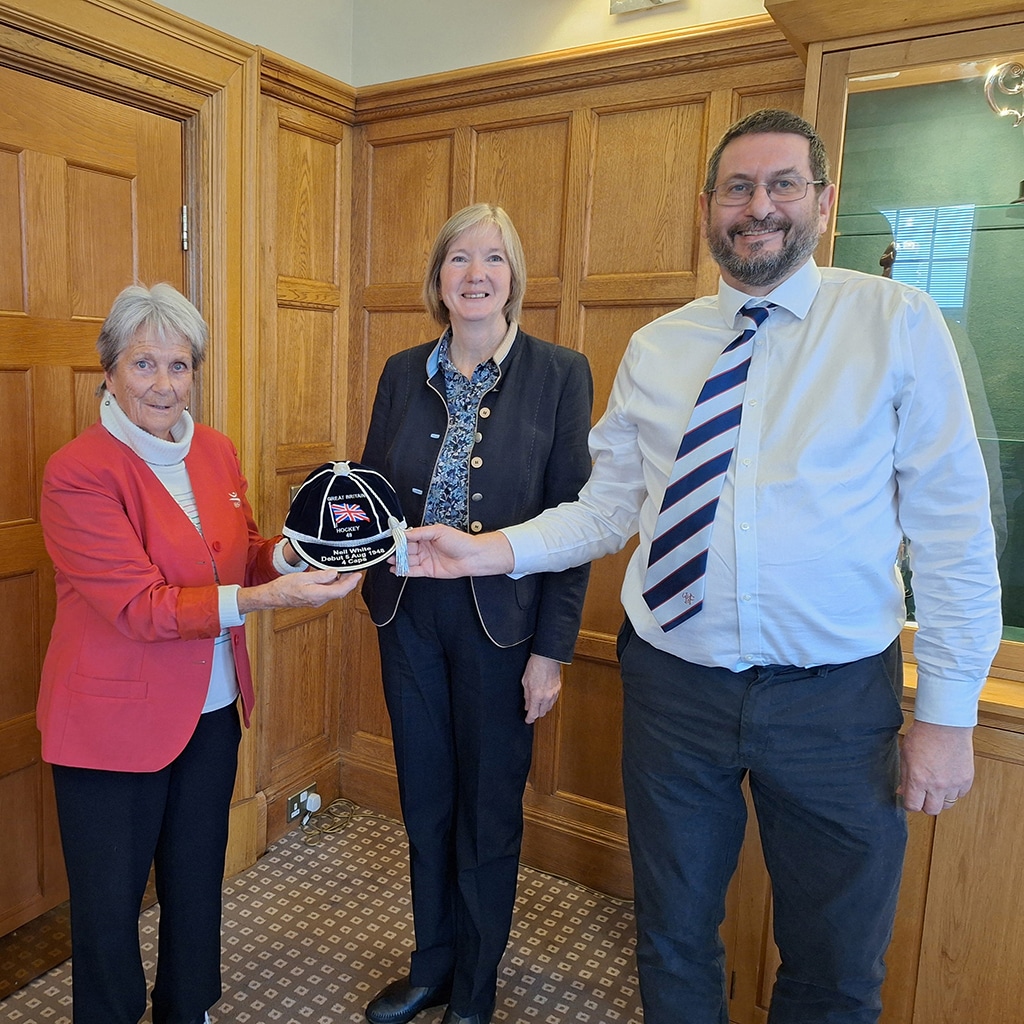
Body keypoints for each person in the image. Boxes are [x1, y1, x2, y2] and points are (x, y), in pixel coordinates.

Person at [394, 110, 1003, 1024]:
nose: (759, 207)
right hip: (676, 694)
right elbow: (607, 507)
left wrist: (949, 714)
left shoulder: (894, 324)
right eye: (738, 188)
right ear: (708, 208)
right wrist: (488, 550)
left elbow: (956, 532)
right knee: (672, 940)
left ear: (824, 203)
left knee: (836, 966)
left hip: (835, 706)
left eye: (783, 185)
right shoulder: (660, 347)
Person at [37, 283, 361, 1024]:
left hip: (211, 711)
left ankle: (188, 1009)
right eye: (144, 364)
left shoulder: (212, 449)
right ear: (110, 373)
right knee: (109, 909)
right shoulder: (79, 471)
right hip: (108, 728)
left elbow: (239, 554)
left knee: (194, 880)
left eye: (178, 365)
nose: (163, 383)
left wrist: (295, 556)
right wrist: (256, 602)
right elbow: (138, 605)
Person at [360, 203, 593, 1024]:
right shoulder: (400, 371)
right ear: (439, 278)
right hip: (409, 617)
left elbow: (575, 522)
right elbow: (370, 490)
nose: (475, 274)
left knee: (488, 811)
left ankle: (476, 989)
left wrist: (551, 652)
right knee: (425, 800)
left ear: (512, 277)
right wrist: (325, 539)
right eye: (460, 259)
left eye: (492, 258)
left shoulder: (561, 374)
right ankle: (431, 966)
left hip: (505, 629)